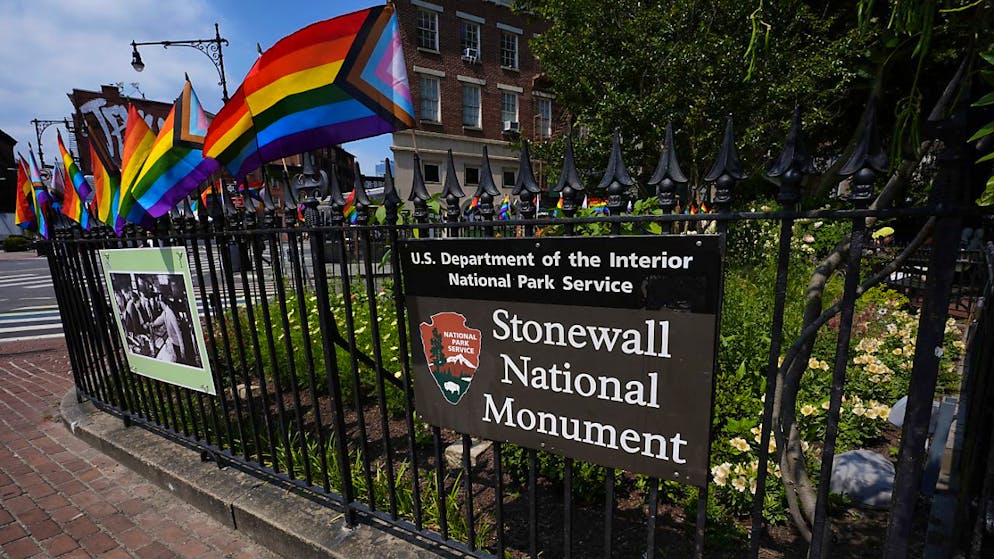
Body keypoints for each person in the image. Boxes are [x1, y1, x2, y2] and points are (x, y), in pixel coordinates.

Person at [150, 290, 185, 364]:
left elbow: (178, 331)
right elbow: (160, 319)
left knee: (179, 361)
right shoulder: (166, 311)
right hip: (173, 341)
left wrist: (182, 349)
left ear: (162, 302)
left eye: (159, 301)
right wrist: (153, 324)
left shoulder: (170, 313)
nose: (159, 303)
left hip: (177, 343)